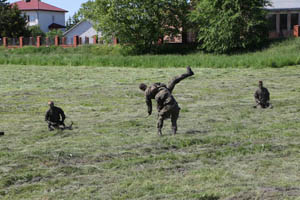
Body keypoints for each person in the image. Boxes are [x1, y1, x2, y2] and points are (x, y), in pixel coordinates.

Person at [139, 66, 194, 136]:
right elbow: (163, 84)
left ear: (142, 89)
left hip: (161, 97)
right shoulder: (153, 84)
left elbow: (148, 104)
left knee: (160, 116)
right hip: (165, 90)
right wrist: (165, 89)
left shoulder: (146, 93)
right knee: (173, 80)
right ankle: (188, 74)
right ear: (145, 85)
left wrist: (149, 112)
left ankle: (159, 131)